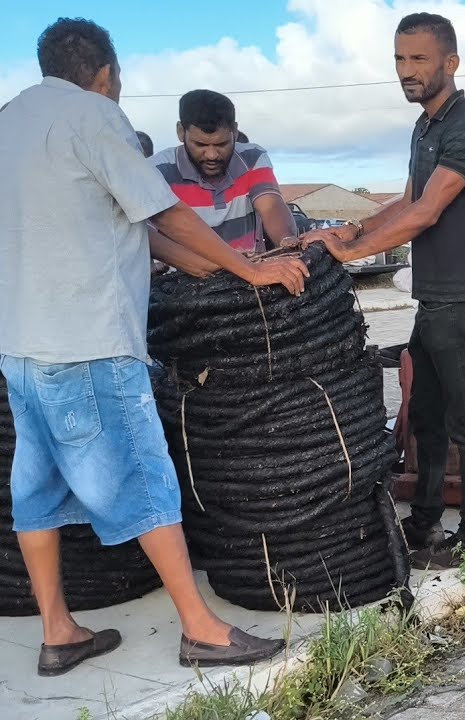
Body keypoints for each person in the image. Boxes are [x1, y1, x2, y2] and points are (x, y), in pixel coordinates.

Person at [0, 18, 309, 674]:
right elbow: (165, 212)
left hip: (21, 348)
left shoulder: (10, 121)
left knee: (35, 487)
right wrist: (250, 268)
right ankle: (200, 629)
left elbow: (112, 223)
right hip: (89, 343)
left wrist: (201, 264)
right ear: (107, 74)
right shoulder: (95, 116)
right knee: (145, 476)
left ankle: (58, 632)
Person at [303, 12, 465, 569]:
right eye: (399, 59)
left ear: (451, 63)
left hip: (464, 300)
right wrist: (351, 230)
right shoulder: (426, 127)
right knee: (427, 415)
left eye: (419, 59)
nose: (406, 70)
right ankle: (425, 519)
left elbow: (429, 211)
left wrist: (353, 254)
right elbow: (409, 199)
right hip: (432, 300)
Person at [151, 90, 297, 254]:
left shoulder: (253, 159)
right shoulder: (156, 171)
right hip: (181, 277)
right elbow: (148, 236)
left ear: (234, 131)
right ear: (180, 131)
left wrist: (287, 241)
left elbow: (271, 207)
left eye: (222, 144)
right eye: (200, 145)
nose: (212, 155)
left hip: (252, 273)